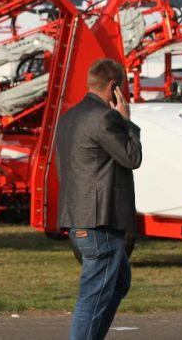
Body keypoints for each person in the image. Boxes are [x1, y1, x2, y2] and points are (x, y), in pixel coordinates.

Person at [55, 58, 142, 340]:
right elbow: (132, 157)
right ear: (114, 87)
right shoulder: (106, 118)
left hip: (78, 217)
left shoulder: (68, 117)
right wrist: (127, 120)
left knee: (117, 283)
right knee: (93, 296)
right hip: (100, 222)